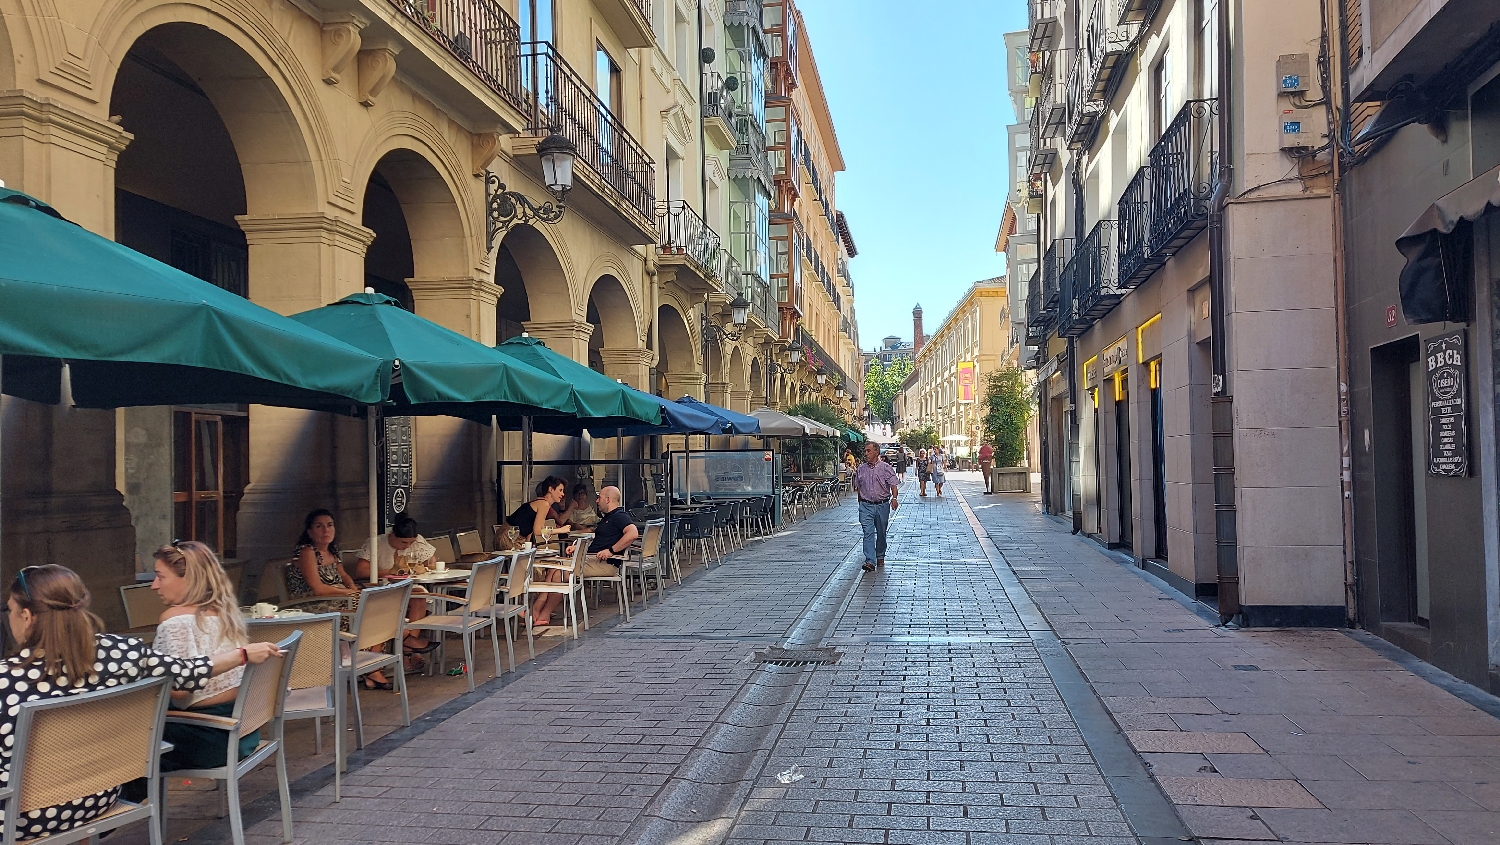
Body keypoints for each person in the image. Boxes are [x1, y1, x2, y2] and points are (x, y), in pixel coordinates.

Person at [1, 564, 282, 840]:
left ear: (27, 616)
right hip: (96, 799)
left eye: (10, 610)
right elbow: (188, 672)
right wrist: (241, 655)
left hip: (21, 817)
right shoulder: (122, 653)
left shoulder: (7, 680)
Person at [149, 541, 262, 772]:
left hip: (205, 738)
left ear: (188, 579)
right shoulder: (226, 614)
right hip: (244, 733)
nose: (154, 585)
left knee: (125, 743)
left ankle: (126, 805)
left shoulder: (174, 620)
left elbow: (180, 690)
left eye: (161, 576)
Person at [532, 486, 639, 628]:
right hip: (592, 558)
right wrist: (578, 547)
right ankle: (537, 608)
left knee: (560, 574)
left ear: (607, 499)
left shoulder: (620, 516)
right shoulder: (608, 518)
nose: (596, 500)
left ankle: (543, 613)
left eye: (599, 497)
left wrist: (611, 551)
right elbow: (599, 541)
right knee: (555, 566)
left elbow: (633, 533)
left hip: (604, 563)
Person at [352, 515, 437, 655]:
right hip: (381, 585)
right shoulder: (376, 543)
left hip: (406, 585)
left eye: (411, 542)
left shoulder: (417, 542)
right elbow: (361, 571)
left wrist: (426, 565)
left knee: (420, 597)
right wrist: (390, 571)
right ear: (392, 536)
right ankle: (410, 646)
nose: (408, 546)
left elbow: (432, 561)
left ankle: (409, 647)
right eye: (404, 542)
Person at [854, 441, 900, 573]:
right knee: (868, 532)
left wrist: (894, 498)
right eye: (865, 451)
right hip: (866, 505)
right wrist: (860, 502)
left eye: (868, 451)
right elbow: (858, 486)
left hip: (882, 505)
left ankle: (880, 555)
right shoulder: (861, 469)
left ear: (876, 452)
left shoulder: (886, 468)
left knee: (881, 532)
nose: (866, 453)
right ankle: (870, 561)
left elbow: (893, 485)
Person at [507, 476, 568, 544]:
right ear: (550, 489)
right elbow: (538, 531)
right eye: (560, 490)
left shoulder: (539, 501)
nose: (563, 494)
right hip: (509, 539)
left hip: (515, 538)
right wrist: (561, 530)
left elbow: (529, 529)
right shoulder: (544, 504)